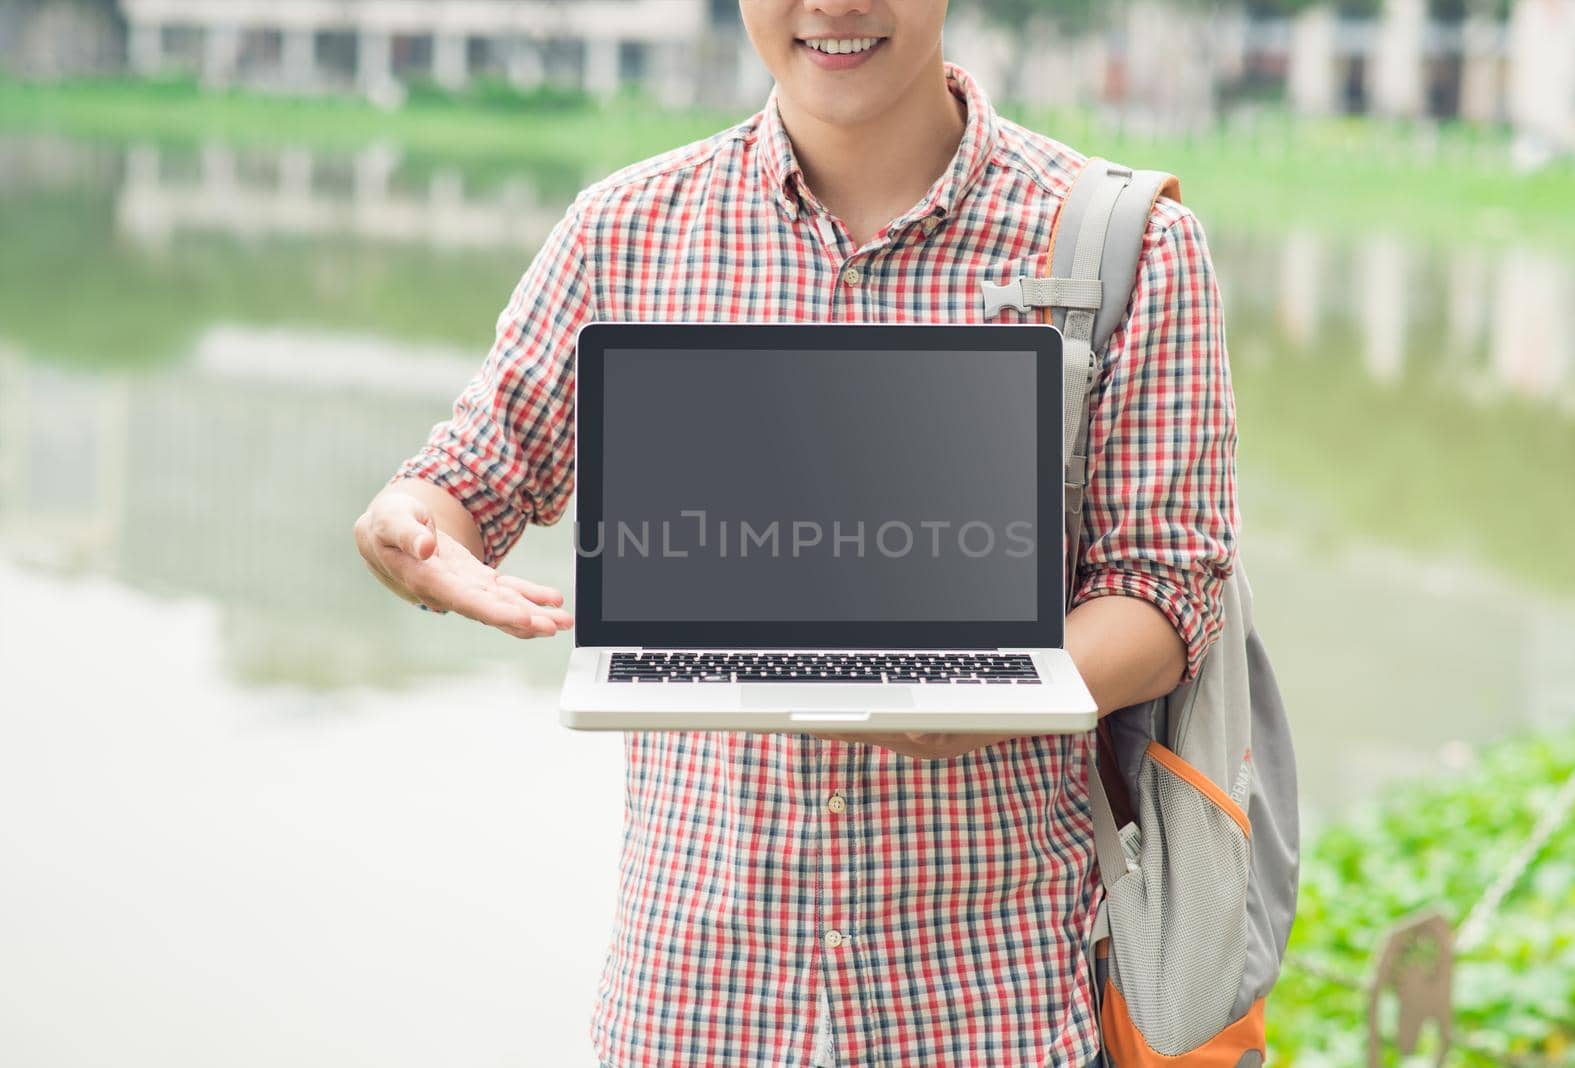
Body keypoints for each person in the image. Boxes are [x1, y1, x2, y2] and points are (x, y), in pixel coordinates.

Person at [352, 2, 1238, 1065]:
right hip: (696, 996)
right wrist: (412, 534)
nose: (834, 4)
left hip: (986, 998)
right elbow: (469, 476)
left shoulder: (1126, 246)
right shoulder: (625, 231)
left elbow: (1166, 590)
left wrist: (983, 694)